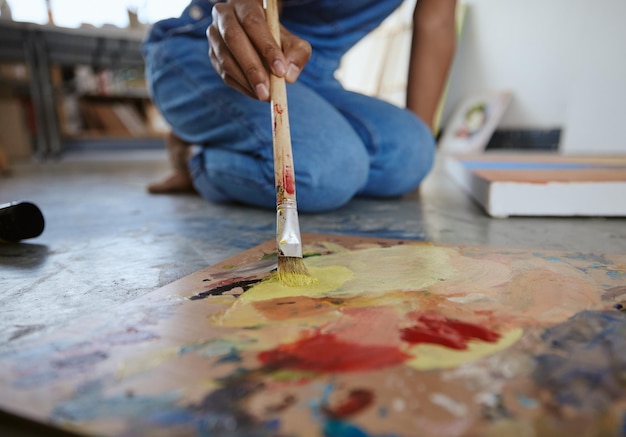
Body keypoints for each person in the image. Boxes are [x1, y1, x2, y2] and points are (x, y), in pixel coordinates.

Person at [142, 0, 457, 212]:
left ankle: (237, 139)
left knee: (412, 156)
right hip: (208, 49)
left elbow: (438, 22)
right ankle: (195, 159)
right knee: (326, 174)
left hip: (311, 73)